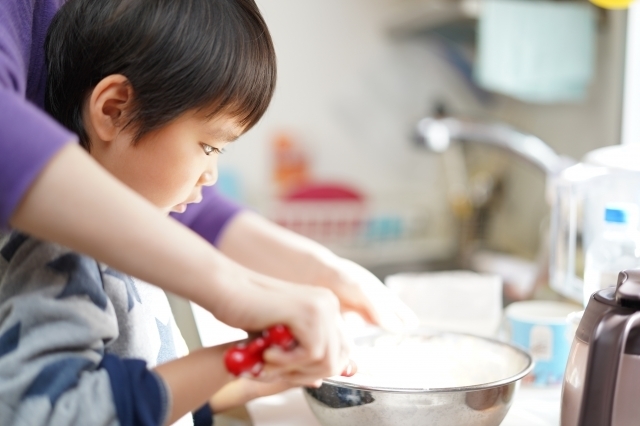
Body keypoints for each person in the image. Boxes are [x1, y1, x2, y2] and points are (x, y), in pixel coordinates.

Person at [0, 1, 364, 425]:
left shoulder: (131, 242)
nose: (211, 177)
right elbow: (52, 412)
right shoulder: (58, 249)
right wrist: (231, 357)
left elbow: (148, 388)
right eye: (208, 146)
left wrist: (265, 366)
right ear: (114, 110)